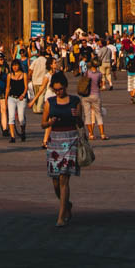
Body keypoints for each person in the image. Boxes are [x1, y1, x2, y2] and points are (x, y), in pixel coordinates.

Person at [41, 70, 84, 226]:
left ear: (66, 86)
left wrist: (78, 116)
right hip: (55, 142)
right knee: (55, 182)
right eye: (56, 89)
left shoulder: (75, 101)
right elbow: (43, 123)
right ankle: (66, 204)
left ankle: (61, 217)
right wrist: (50, 123)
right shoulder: (50, 102)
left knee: (64, 178)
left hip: (71, 140)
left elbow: (80, 124)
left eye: (61, 89)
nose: (59, 92)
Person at [6, 58, 28, 142]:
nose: (15, 67)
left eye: (16, 65)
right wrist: (6, 99)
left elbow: (26, 87)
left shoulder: (24, 75)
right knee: (11, 117)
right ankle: (12, 136)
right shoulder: (9, 75)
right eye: (13, 66)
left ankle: (22, 131)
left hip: (21, 98)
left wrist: (23, 94)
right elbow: (7, 88)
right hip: (11, 97)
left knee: (21, 117)